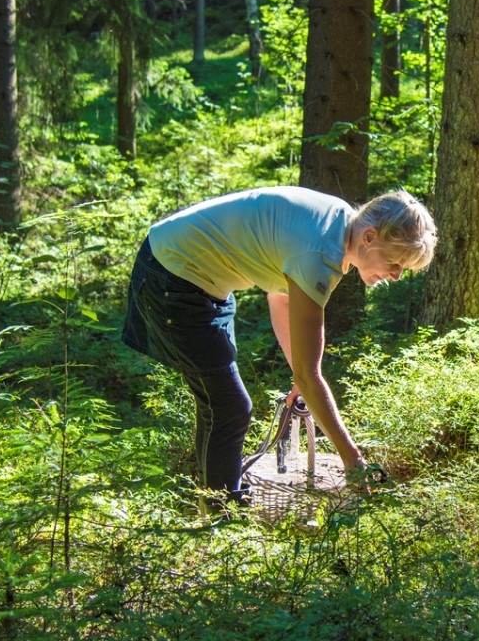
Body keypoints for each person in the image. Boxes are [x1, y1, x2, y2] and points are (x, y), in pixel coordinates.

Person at [121, 186, 437, 513]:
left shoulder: (339, 223)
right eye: (396, 262)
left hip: (197, 279)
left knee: (219, 405)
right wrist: (353, 461)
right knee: (228, 407)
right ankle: (220, 522)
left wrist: (300, 374)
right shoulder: (319, 252)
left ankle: (214, 505)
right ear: (369, 237)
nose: (397, 276)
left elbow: (281, 298)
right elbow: (309, 368)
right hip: (173, 275)